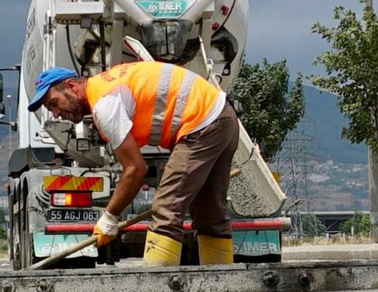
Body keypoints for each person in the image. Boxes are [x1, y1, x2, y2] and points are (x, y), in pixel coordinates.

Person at [28, 61, 239, 266]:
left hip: (202, 124)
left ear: (71, 87)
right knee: (209, 210)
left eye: (54, 103)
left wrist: (109, 217)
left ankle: (159, 284)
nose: (56, 114)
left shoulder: (105, 104)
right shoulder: (106, 87)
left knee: (166, 208)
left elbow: (135, 170)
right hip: (222, 116)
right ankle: (221, 281)